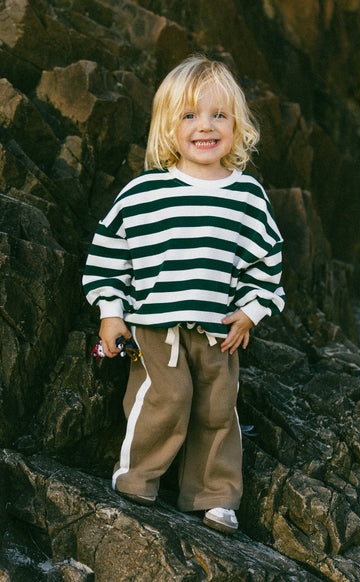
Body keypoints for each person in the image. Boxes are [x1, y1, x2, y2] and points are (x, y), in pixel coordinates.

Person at [83, 55, 285, 534]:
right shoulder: (143, 193)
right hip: (156, 325)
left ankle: (214, 495)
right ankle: (136, 478)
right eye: (190, 115)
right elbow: (111, 256)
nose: (205, 127)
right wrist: (111, 314)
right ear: (167, 126)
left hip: (218, 331)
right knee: (165, 398)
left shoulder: (248, 196)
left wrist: (251, 313)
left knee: (218, 408)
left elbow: (267, 264)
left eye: (219, 115)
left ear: (237, 125)